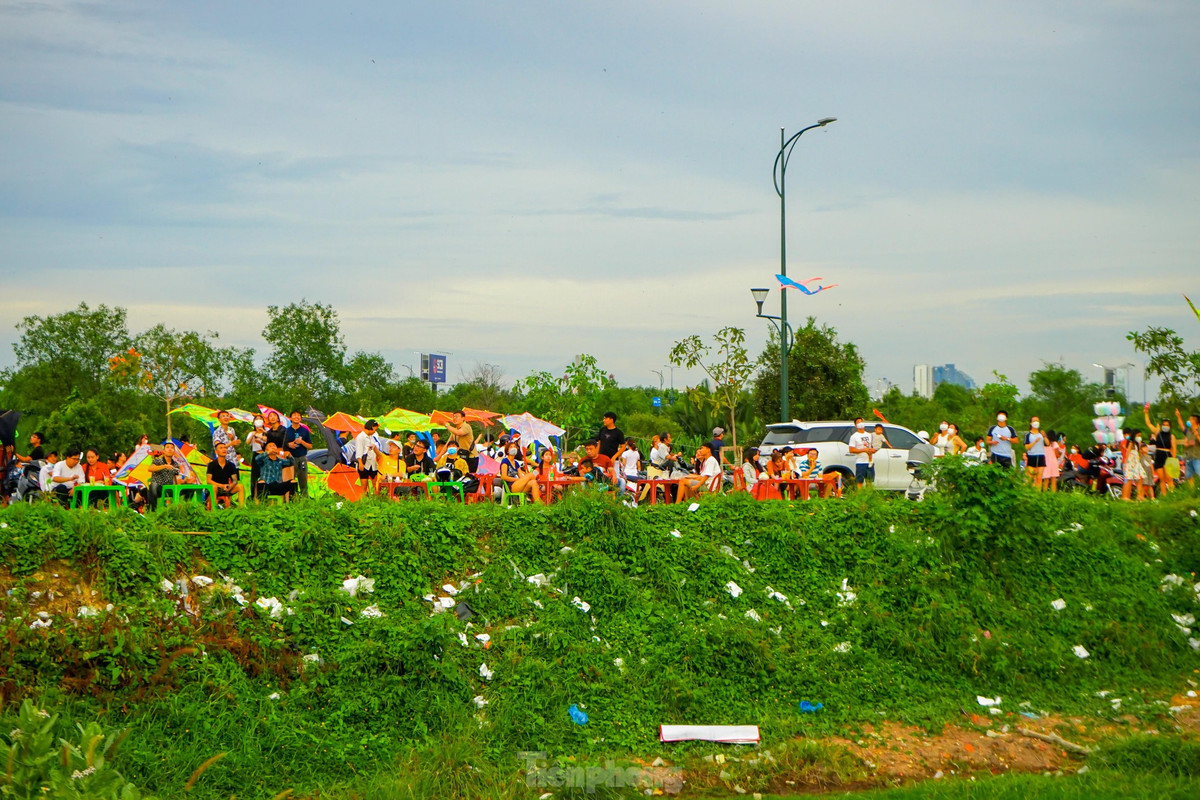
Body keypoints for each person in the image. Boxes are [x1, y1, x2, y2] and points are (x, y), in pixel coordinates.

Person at [1144, 404, 1177, 496]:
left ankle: (1172, 494)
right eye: (1164, 424)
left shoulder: (1171, 436)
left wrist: (1173, 460)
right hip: (1158, 456)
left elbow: (1174, 449)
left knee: (1169, 479)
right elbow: (1148, 424)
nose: (1165, 426)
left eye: (1167, 425)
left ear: (1170, 426)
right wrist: (1146, 413)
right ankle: (1164, 495)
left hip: (1167, 456)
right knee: (1161, 479)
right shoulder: (1158, 432)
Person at [147, 442, 188, 511]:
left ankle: (185, 509)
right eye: (168, 447)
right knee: (153, 485)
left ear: (174, 452)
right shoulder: (157, 461)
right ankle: (153, 511)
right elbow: (150, 469)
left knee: (189, 489)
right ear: (164, 451)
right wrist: (164, 466)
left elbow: (177, 479)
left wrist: (186, 481)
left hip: (169, 488)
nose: (170, 449)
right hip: (158, 487)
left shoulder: (175, 464)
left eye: (172, 448)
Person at [206, 442, 244, 508]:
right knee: (214, 487)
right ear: (216, 452)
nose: (224, 449)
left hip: (227, 488)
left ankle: (241, 509)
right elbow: (208, 481)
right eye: (221, 448)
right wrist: (221, 485)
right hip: (216, 487)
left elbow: (235, 480)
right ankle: (213, 511)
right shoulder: (211, 465)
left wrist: (231, 485)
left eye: (225, 448)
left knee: (240, 486)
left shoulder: (231, 465)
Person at [284, 410, 312, 497]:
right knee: (291, 480)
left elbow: (310, 446)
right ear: (290, 418)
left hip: (302, 457)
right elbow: (283, 445)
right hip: (291, 458)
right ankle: (292, 498)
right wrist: (289, 444)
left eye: (298, 415)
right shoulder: (286, 431)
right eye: (294, 415)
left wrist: (302, 442)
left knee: (303, 480)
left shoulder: (305, 430)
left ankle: (304, 499)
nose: (297, 417)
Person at [352, 419, 383, 494]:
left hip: (373, 463)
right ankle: (363, 500)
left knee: (376, 484)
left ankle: (375, 498)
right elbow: (359, 451)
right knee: (364, 485)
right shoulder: (360, 437)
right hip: (365, 463)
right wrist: (360, 463)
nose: (375, 431)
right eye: (374, 429)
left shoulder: (372, 437)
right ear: (371, 427)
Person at [848, 417, 876, 486]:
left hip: (870, 461)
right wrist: (863, 450)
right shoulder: (854, 436)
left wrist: (872, 450)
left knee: (869, 481)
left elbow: (872, 447)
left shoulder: (869, 435)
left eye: (861, 421)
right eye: (858, 422)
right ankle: (860, 495)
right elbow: (851, 450)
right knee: (859, 482)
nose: (860, 423)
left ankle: (869, 495)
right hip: (860, 462)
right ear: (855, 425)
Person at [246, 414, 268, 497]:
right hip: (256, 454)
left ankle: (264, 495)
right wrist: (253, 434)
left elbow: (269, 440)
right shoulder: (252, 433)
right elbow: (248, 442)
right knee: (255, 476)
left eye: (260, 419)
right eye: (256, 419)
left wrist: (262, 434)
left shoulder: (267, 432)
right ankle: (254, 496)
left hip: (265, 455)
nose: (258, 421)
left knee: (265, 475)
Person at [1177, 409, 1200, 487]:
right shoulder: (1189, 431)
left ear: (1195, 421)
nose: (1189, 421)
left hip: (1197, 456)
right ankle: (1192, 491)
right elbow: (1182, 426)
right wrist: (1179, 416)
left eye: (1190, 419)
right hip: (1189, 456)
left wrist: (1197, 435)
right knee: (1189, 476)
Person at [1024, 416, 1047, 489]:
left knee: (1039, 478)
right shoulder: (1028, 435)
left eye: (1037, 421)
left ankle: (1037, 493)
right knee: (1029, 477)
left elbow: (1047, 443)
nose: (1036, 422)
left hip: (1041, 456)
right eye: (1034, 421)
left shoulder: (1041, 434)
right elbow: (1027, 447)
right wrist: (1034, 442)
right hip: (1031, 456)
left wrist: (1045, 436)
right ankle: (1027, 492)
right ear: (1031, 423)